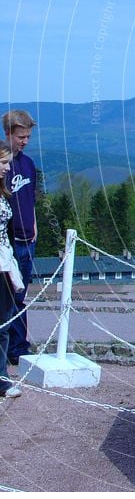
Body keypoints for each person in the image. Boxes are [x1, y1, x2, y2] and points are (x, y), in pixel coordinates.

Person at [2, 109, 37, 364]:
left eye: (27, 136)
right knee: (7, 296)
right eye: (20, 136)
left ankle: (19, 346)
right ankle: (9, 347)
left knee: (20, 294)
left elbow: (31, 198)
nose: (24, 141)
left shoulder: (27, 164)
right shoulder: (4, 165)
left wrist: (35, 226)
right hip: (9, 241)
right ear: (8, 134)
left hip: (27, 238)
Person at [0, 140, 23, 398]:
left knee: (4, 324)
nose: (7, 168)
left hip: (5, 264)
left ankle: (1, 379)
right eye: (4, 163)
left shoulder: (3, 193)